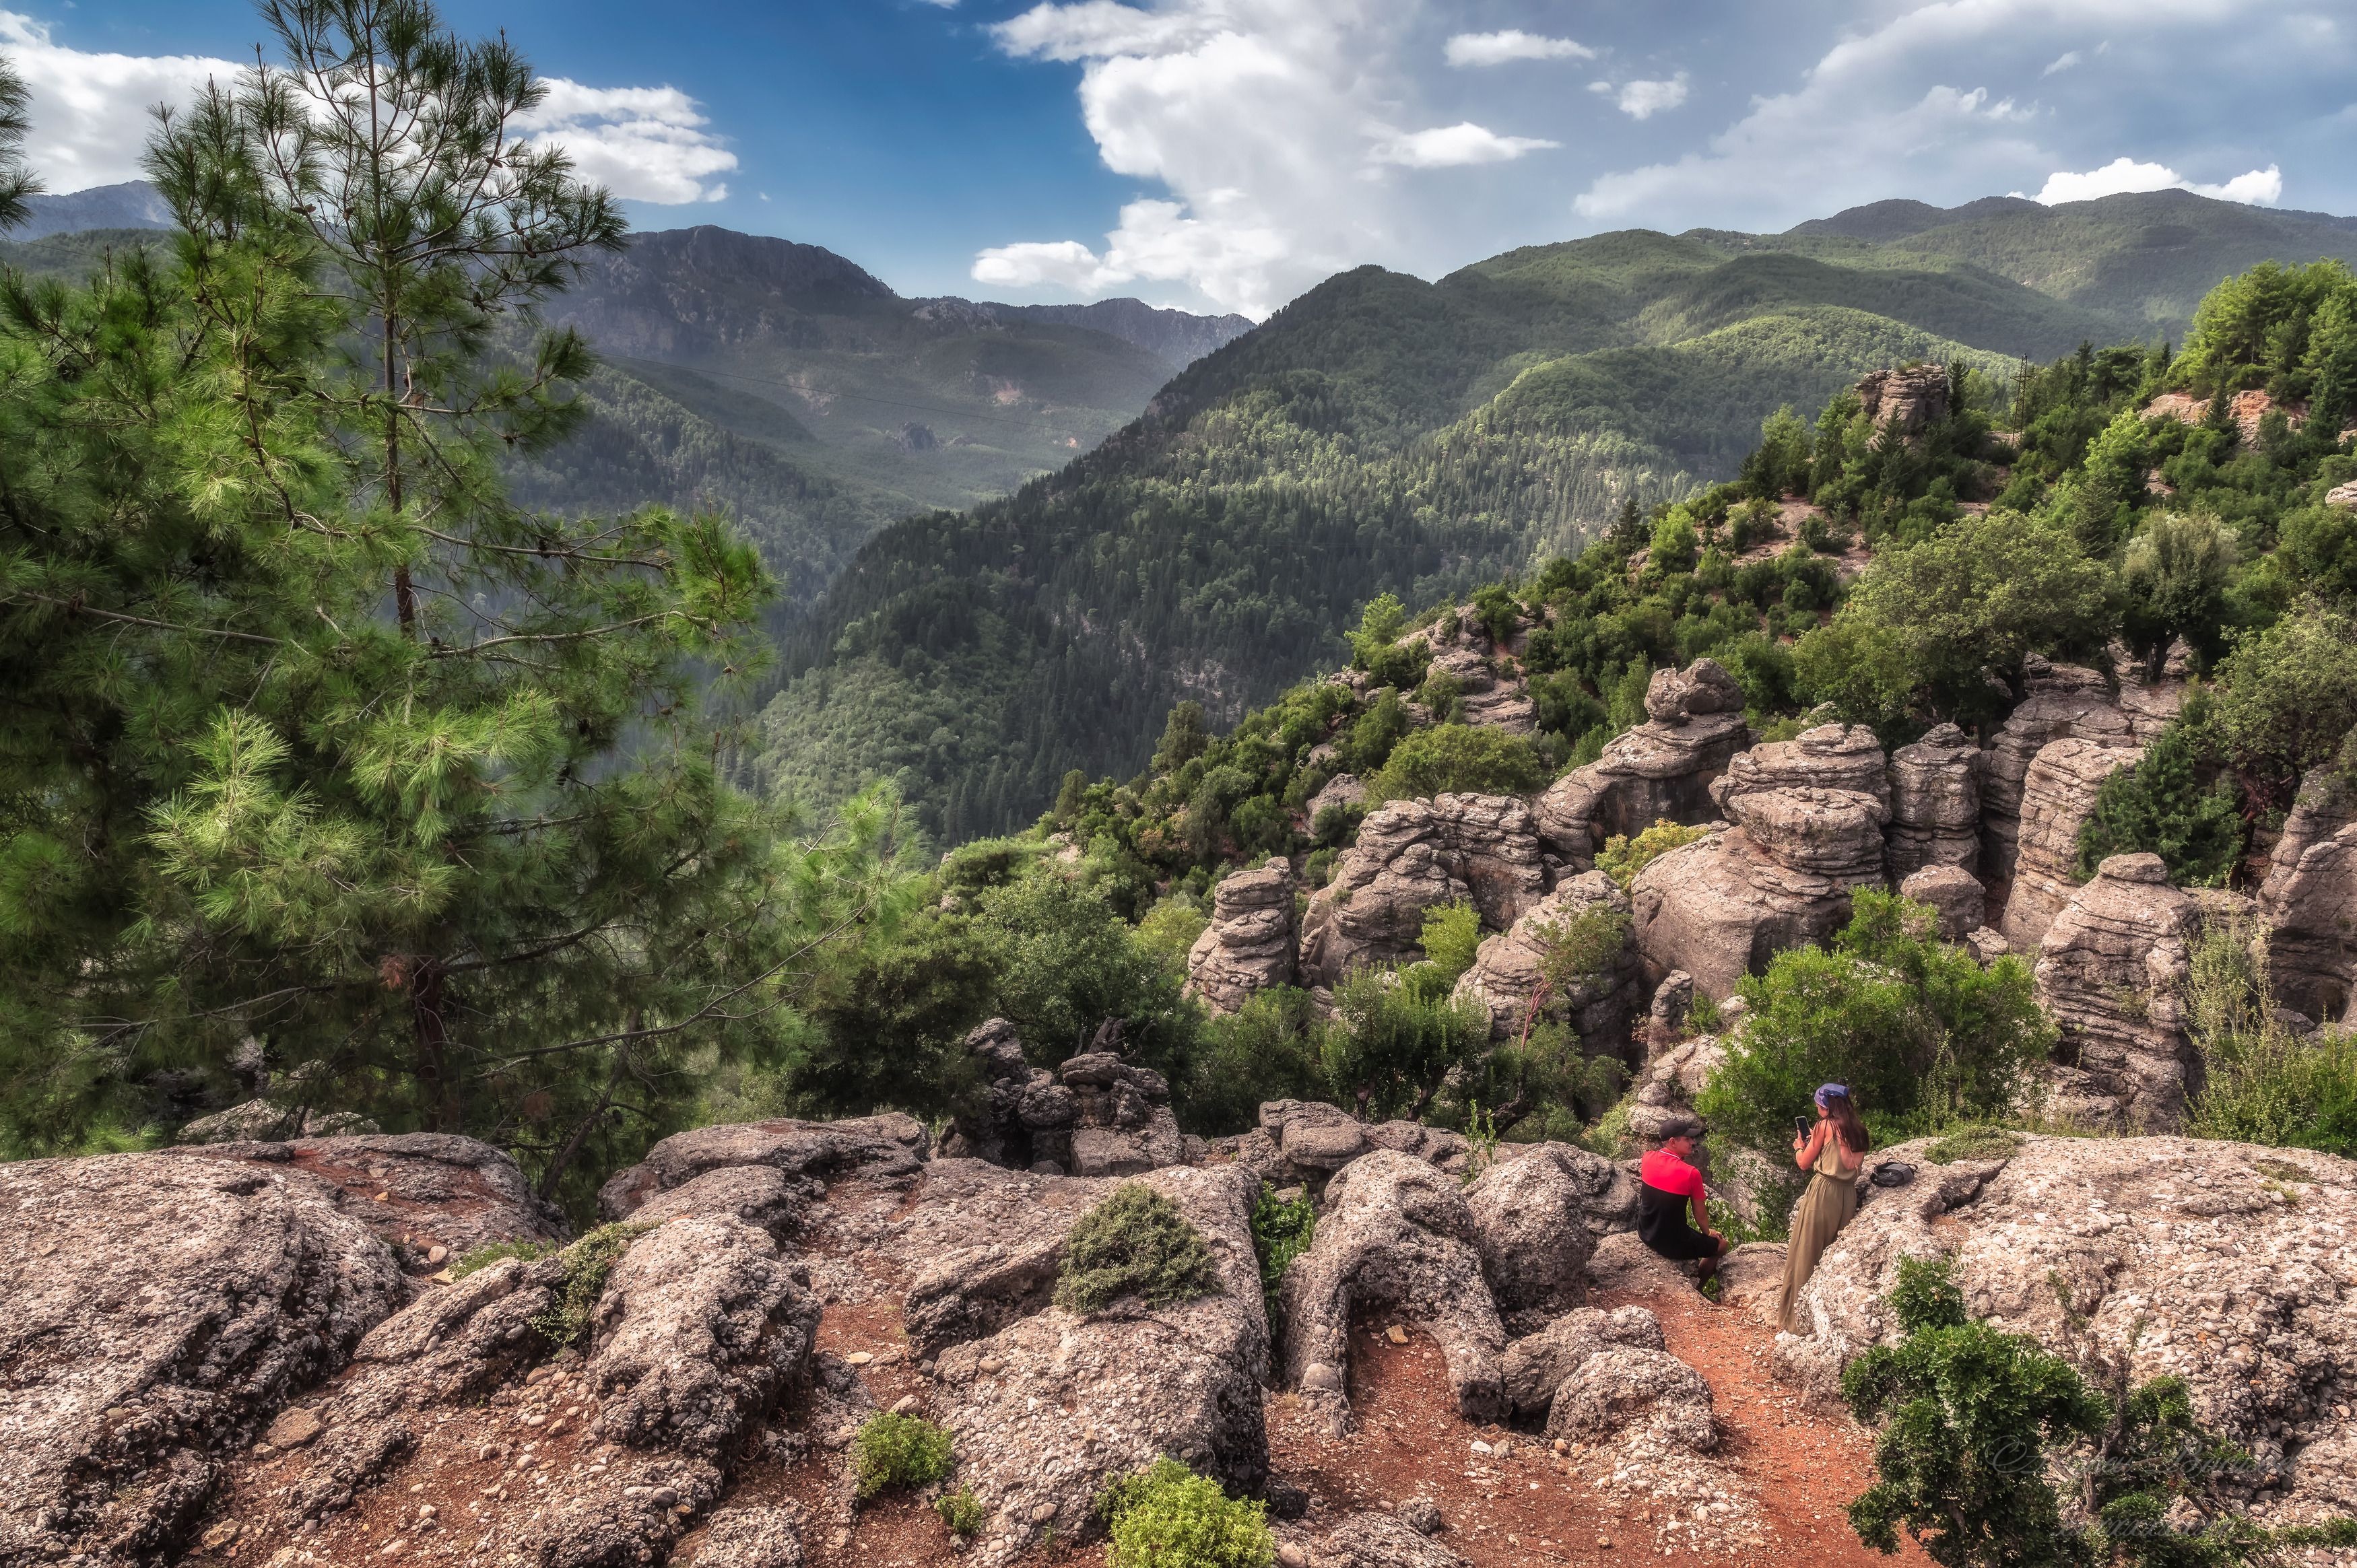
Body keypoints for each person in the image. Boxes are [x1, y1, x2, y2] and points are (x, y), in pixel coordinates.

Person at [1777, 1083, 1868, 1334]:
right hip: (1847, 1196)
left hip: (1823, 1193)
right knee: (1829, 1255)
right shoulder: (1859, 1130)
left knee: (1807, 1252)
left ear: (1826, 1106)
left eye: (1819, 1105)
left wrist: (1799, 1147)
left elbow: (1804, 1163)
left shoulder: (1824, 1126)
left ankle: (1797, 1321)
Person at [1636, 1118, 1726, 1289]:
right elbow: (1700, 1215)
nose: (1693, 1142)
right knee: (1722, 1245)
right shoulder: (1691, 1173)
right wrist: (1709, 1232)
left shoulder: (1647, 1157)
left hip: (1645, 1231)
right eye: (1687, 1139)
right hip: (1672, 1243)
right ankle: (1697, 1288)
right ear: (1672, 1142)